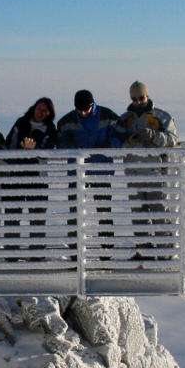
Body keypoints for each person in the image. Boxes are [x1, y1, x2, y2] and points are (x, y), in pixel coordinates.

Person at [114, 81, 179, 260]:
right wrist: (129, 141)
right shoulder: (125, 119)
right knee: (138, 216)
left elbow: (172, 140)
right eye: (134, 99)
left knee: (159, 213)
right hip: (133, 172)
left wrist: (153, 136)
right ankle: (144, 252)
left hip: (155, 172)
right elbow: (115, 141)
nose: (138, 102)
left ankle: (165, 253)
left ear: (147, 96)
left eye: (141, 98)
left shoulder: (161, 116)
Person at [57, 90, 120, 260]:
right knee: (75, 214)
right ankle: (74, 254)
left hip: (101, 171)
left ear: (93, 104)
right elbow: (58, 144)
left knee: (104, 213)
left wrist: (110, 144)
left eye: (87, 109)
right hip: (76, 172)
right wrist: (66, 143)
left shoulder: (108, 116)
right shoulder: (66, 121)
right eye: (80, 109)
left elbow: (121, 136)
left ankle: (106, 254)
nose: (83, 112)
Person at [3, 98, 57, 259]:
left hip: (37, 178)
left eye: (44, 110)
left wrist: (33, 151)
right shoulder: (21, 123)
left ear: (49, 113)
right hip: (16, 174)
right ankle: (11, 254)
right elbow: (9, 143)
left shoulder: (50, 128)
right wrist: (23, 149)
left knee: (37, 217)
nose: (40, 112)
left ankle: (37, 255)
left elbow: (48, 150)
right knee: (12, 215)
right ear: (34, 109)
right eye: (38, 108)